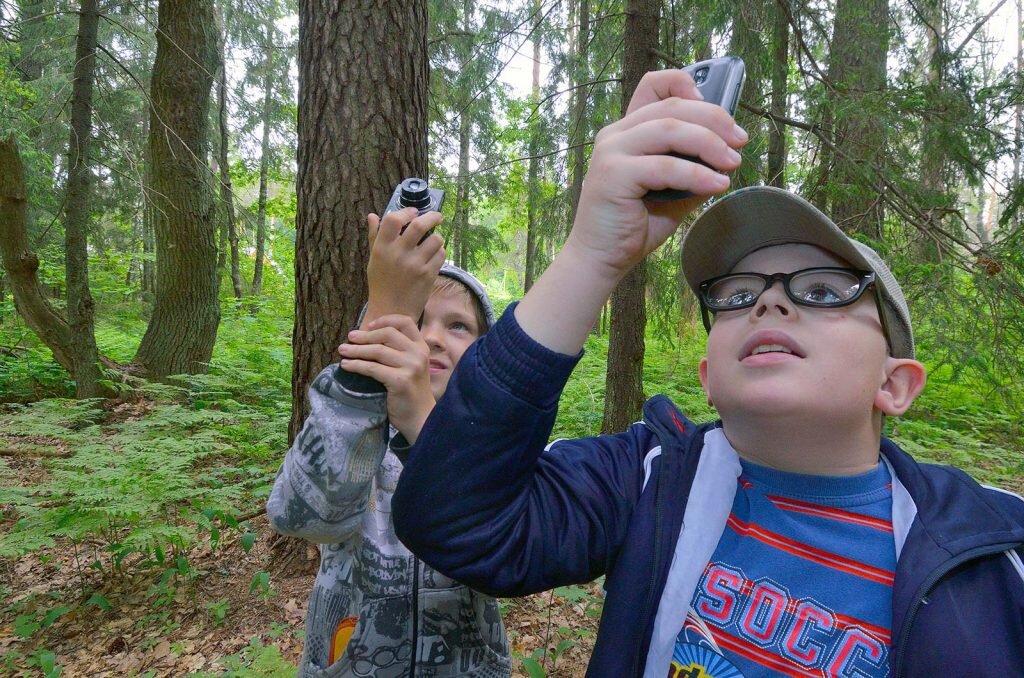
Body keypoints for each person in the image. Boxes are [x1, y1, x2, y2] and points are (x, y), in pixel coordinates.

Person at [390, 69, 1024, 677]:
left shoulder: (997, 549)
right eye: (737, 292)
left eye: (825, 290)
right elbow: (457, 522)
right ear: (709, 378)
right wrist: (592, 255)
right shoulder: (649, 481)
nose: (769, 302)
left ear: (895, 384)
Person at [267, 205, 510, 677]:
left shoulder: (493, 439)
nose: (433, 339)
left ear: (484, 350)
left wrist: (430, 430)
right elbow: (300, 516)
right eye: (415, 320)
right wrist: (362, 392)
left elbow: (511, 543)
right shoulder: (350, 421)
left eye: (458, 326)